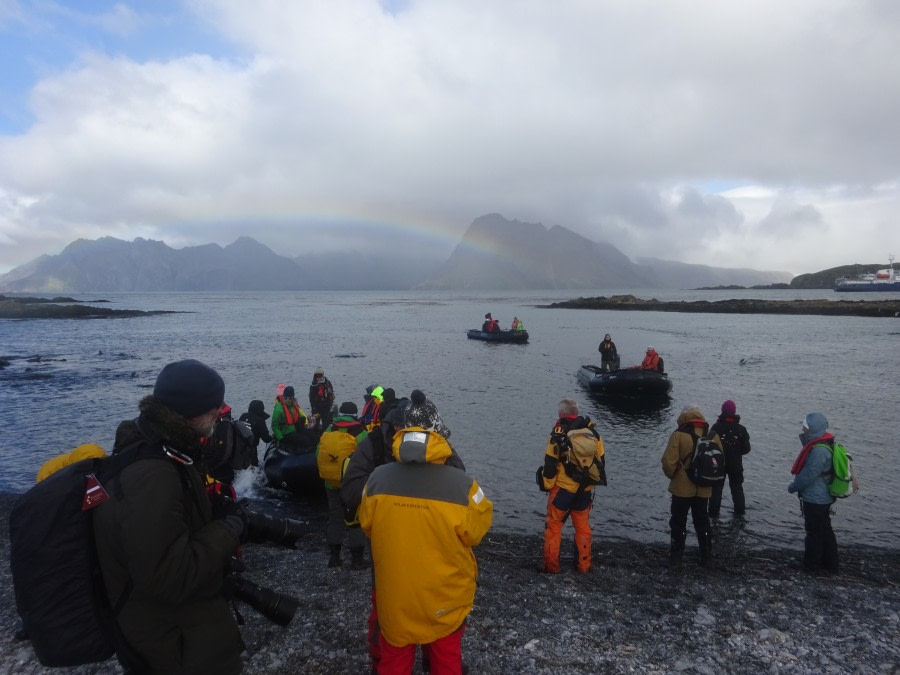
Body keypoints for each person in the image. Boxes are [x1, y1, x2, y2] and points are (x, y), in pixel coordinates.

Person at [92, 359, 247, 674]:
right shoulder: (152, 475)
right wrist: (231, 528)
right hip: (174, 647)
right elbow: (169, 577)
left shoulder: (160, 448)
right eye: (215, 405)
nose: (221, 411)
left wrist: (209, 508)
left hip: (177, 635)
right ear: (192, 411)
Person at [359, 390, 492, 674]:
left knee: (394, 658)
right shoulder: (464, 486)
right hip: (444, 597)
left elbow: (367, 525)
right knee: (446, 658)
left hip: (395, 596)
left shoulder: (376, 481)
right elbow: (476, 534)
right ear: (440, 434)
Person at [540, 399, 605, 574]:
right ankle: (584, 566)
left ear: (561, 414)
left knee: (554, 526)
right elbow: (600, 461)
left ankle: (551, 567)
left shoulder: (558, 434)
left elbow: (550, 464)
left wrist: (547, 486)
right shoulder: (593, 433)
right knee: (582, 526)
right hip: (584, 490)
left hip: (563, 489)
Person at [661, 404, 721, 570]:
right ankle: (706, 557)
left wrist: (673, 475)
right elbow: (719, 461)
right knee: (702, 522)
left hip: (682, 489)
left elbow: (668, 461)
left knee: (678, 522)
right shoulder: (713, 435)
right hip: (704, 488)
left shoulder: (678, 435)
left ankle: (676, 558)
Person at [788, 412, 840, 575]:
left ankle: (811, 566)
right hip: (822, 496)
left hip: (816, 498)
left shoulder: (818, 451)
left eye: (806, 426)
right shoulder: (824, 444)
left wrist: (793, 486)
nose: (803, 428)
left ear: (813, 429)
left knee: (814, 532)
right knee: (824, 530)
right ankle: (830, 564)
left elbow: (808, 475)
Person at [317, 401, 368, 568]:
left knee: (335, 518)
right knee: (355, 520)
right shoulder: (360, 432)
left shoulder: (329, 429)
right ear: (354, 414)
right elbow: (367, 459)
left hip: (330, 483)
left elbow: (318, 453)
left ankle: (334, 557)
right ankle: (357, 560)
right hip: (352, 485)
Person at [709, 399, 751, 518]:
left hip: (718, 464)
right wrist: (736, 452)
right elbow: (747, 449)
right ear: (734, 411)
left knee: (716, 489)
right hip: (736, 464)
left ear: (722, 411)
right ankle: (740, 515)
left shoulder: (716, 427)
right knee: (737, 488)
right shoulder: (741, 429)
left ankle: (713, 515)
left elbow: (708, 445)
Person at [271, 386, 311, 451]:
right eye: (285, 398)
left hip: (295, 428)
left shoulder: (294, 405)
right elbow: (274, 426)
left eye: (289, 398)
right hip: (285, 432)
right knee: (304, 441)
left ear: (292, 398)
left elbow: (299, 414)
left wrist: (303, 419)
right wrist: (280, 438)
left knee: (311, 436)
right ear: (283, 397)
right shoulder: (278, 410)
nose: (287, 400)